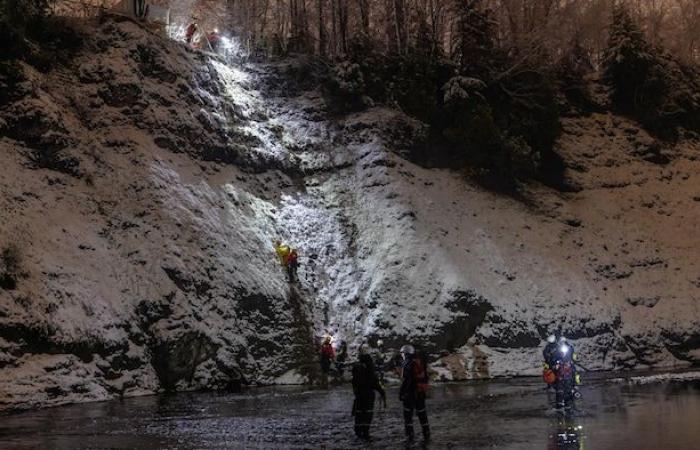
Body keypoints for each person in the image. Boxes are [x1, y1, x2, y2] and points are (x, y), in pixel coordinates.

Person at [352, 350, 386, 441]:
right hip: (368, 396)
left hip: (359, 396)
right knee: (367, 414)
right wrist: (382, 392)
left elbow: (354, 383)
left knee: (359, 413)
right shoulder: (370, 371)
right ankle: (365, 432)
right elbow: (375, 384)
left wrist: (356, 392)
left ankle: (358, 431)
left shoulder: (357, 370)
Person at [399, 344, 430, 441]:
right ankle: (426, 433)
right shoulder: (419, 362)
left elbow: (406, 381)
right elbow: (425, 377)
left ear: (406, 353)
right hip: (420, 393)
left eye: (403, 353)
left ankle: (410, 435)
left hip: (410, 394)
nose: (402, 355)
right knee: (422, 414)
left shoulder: (407, 363)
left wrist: (402, 393)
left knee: (408, 415)